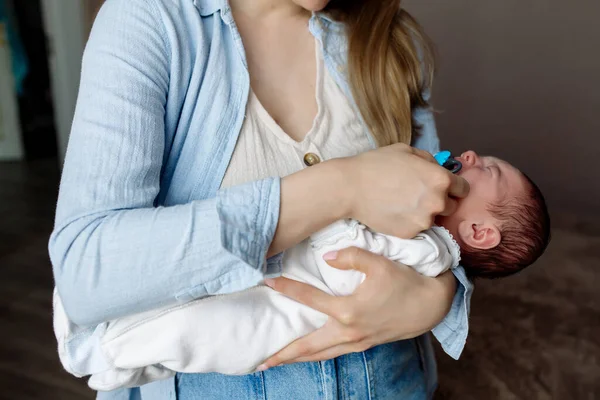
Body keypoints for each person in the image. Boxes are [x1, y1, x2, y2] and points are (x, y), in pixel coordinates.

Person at [49, 0, 474, 399]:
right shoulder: (150, 20)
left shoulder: (390, 41)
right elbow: (88, 271)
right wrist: (344, 187)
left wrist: (437, 297)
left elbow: (446, 219)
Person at [53, 150, 551, 391]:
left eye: (487, 169)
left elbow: (350, 255)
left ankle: (106, 349)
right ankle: (112, 349)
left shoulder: (426, 248)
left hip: (289, 314)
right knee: (189, 325)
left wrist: (434, 298)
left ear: (481, 233)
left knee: (198, 331)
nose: (467, 156)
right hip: (282, 288)